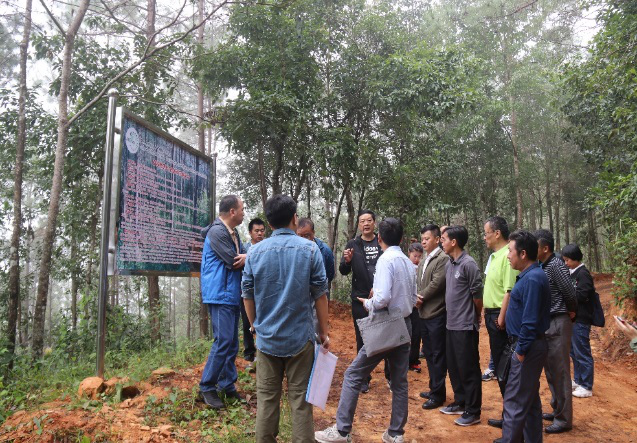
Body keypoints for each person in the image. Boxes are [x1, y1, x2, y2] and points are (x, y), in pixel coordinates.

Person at [315, 218, 417, 443]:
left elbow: (382, 300)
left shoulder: (385, 260)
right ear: (401, 239)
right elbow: (412, 296)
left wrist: (367, 302)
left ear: (380, 237)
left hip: (386, 325)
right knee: (399, 382)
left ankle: (342, 431)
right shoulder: (408, 262)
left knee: (353, 374)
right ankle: (395, 434)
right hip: (405, 324)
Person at [242, 194, 330, 442]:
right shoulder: (311, 250)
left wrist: (254, 327)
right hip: (300, 340)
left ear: (269, 224)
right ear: (294, 218)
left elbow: (247, 294)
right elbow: (320, 295)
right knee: (301, 400)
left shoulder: (255, 252)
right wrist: (323, 332)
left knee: (267, 399)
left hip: (267, 339)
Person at [495, 230, 551, 443]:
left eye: (510, 251)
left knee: (515, 404)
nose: (508, 255)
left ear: (523, 254)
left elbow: (530, 320)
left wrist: (520, 351)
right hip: (527, 346)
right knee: (530, 403)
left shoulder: (533, 279)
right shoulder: (530, 276)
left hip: (526, 348)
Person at [199, 195, 246, 409]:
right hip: (219, 293)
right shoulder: (217, 231)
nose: (244, 212)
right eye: (242, 209)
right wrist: (248, 257)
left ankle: (226, 385)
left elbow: (245, 256)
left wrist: (248, 257)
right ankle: (207, 386)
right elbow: (234, 260)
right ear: (233, 212)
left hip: (231, 293)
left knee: (231, 343)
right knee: (223, 341)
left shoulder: (233, 233)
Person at [534, 229, 577, 434]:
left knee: (560, 372)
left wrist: (571, 310)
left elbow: (569, 292)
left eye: (536, 246)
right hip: (548, 322)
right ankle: (557, 408)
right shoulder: (544, 265)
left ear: (545, 248)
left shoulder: (556, 265)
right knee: (551, 370)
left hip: (558, 321)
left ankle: (564, 419)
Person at [439, 225, 483, 426]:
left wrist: (476, 317)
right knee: (454, 366)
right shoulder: (450, 264)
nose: (441, 241)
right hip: (450, 324)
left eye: (444, 238)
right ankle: (460, 401)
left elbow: (477, 296)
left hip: (465, 326)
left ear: (454, 242)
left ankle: (473, 411)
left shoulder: (469, 264)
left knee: (468, 368)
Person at [339, 210, 382, 393]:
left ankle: (391, 375)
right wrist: (347, 261)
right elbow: (342, 271)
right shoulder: (353, 244)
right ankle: (364, 378)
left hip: (381, 298)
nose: (366, 224)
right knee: (362, 339)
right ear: (358, 225)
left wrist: (380, 288)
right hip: (359, 299)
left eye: (369, 220)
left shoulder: (381, 241)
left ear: (374, 223)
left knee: (385, 337)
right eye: (362, 221)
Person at [482, 217, 519, 429]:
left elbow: (509, 290)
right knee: (500, 368)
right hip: (493, 315)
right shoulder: (494, 256)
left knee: (505, 369)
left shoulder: (508, 256)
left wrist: (501, 318)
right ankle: (508, 415)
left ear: (497, 233)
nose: (484, 236)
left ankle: (512, 420)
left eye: (486, 232)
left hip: (500, 317)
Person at [416, 224, 448, 410]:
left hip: (436, 313)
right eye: (422, 239)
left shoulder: (442, 258)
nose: (424, 242)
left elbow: (437, 283)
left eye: (427, 239)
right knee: (428, 353)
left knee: (437, 354)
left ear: (437, 239)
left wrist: (420, 298)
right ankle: (434, 388)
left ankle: (438, 395)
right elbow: (420, 282)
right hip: (424, 313)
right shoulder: (424, 259)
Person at [561, 244, 595, 398]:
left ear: (575, 259)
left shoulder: (583, 274)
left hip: (581, 318)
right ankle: (578, 379)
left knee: (582, 351)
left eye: (567, 260)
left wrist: (569, 294)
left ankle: (587, 385)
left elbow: (583, 294)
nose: (566, 263)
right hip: (573, 319)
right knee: (574, 351)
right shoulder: (572, 272)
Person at [241, 218, 266, 368]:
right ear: (250, 232)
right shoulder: (244, 248)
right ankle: (249, 352)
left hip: (263, 291)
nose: (260, 233)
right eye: (257, 231)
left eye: (262, 230)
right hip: (247, 291)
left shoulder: (267, 247)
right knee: (247, 322)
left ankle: (263, 350)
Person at [297, 217, 336, 296]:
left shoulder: (325, 251)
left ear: (313, 233)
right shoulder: (293, 250)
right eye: (300, 236)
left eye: (307, 236)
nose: (304, 240)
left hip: (320, 295)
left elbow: (329, 275)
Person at [407, 242, 424, 373]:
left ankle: (413, 360)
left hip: (419, 306)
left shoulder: (423, 267)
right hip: (408, 306)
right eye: (414, 256)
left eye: (419, 256)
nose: (417, 259)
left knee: (417, 334)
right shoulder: (406, 266)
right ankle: (404, 360)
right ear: (409, 254)